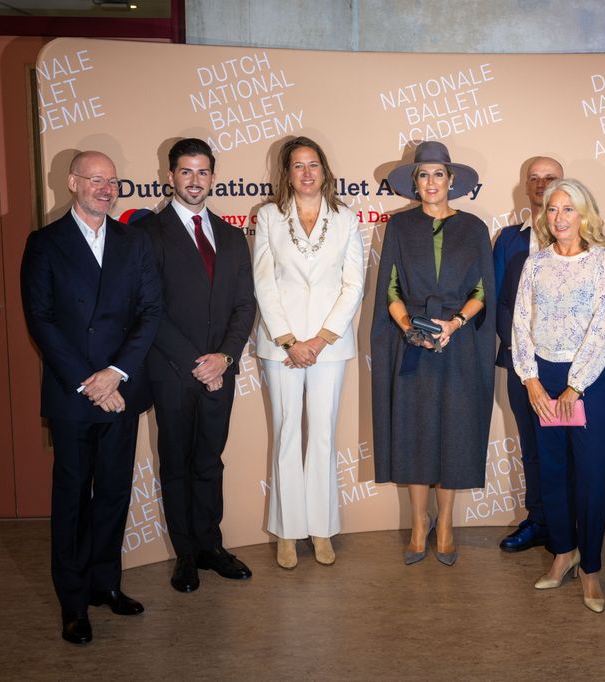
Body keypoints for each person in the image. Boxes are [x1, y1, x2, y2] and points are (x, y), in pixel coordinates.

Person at [21, 151, 161, 644]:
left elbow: (150, 311)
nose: (106, 188)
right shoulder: (45, 243)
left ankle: (107, 585)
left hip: (121, 391)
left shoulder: (134, 241)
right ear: (73, 182)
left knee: (115, 494)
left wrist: (116, 374)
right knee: (73, 498)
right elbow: (42, 320)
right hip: (74, 393)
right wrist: (90, 382)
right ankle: (73, 602)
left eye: (113, 181)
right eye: (95, 180)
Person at [137, 138, 257, 593]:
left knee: (209, 461)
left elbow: (244, 305)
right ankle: (185, 554)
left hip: (220, 372)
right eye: (185, 172)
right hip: (172, 372)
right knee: (177, 463)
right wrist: (195, 362)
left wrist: (224, 357)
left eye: (202, 172)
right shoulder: (149, 233)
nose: (194, 180)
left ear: (212, 176)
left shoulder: (228, 236)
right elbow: (149, 308)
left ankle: (211, 545)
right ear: (171, 177)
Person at [370, 140, 495, 566]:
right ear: (414, 182)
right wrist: (409, 328)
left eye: (438, 174)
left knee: (455, 434)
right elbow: (388, 287)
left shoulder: (474, 228)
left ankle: (445, 524)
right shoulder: (399, 228)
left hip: (458, 345)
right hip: (414, 346)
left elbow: (483, 289)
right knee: (416, 434)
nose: (430, 182)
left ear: (452, 180)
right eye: (423, 175)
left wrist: (455, 324)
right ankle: (419, 524)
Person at [254, 136, 365, 569]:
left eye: (313, 164)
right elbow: (263, 282)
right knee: (286, 435)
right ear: (287, 174)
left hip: (328, 347)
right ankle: (287, 531)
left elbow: (353, 284)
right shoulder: (268, 217)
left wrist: (319, 340)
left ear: (325, 171)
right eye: (297, 166)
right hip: (279, 345)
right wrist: (288, 340)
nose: (306, 173)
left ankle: (321, 529)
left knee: (321, 435)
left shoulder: (346, 218)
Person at [512, 178, 605, 613]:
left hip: (588, 382)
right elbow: (521, 322)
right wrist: (531, 379)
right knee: (552, 473)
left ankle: (590, 568)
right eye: (552, 210)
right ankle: (563, 554)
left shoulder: (604, 263)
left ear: (584, 215)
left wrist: (575, 385)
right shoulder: (535, 263)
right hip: (542, 378)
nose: (559, 218)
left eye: (568, 210)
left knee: (592, 475)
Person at [493, 156, 563, 553]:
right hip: (522, 368)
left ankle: (565, 527)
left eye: (549, 178)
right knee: (533, 448)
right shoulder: (508, 239)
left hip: (568, 369)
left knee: (566, 449)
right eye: (533, 179)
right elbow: (501, 302)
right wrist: (524, 358)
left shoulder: (582, 239)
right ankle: (538, 520)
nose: (540, 184)